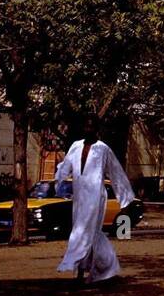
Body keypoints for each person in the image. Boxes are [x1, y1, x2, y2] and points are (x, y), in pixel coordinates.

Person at [55, 115, 137, 285]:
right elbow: (66, 166)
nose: (88, 129)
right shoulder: (76, 146)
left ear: (97, 129)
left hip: (95, 197)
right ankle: (107, 267)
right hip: (79, 197)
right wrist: (59, 181)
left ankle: (72, 263)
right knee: (89, 233)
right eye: (86, 126)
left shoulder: (103, 149)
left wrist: (125, 200)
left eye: (92, 126)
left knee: (82, 232)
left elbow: (116, 173)